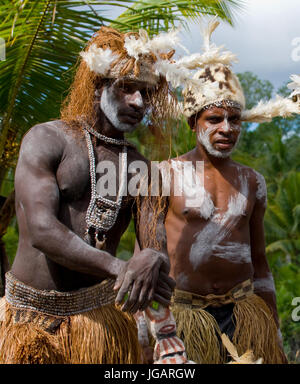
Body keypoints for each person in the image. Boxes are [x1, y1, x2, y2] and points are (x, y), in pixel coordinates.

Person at [0, 26, 187, 364]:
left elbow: (154, 237)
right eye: (127, 88)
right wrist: (120, 267)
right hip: (29, 321)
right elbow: (41, 230)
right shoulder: (47, 139)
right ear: (99, 83)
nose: (138, 102)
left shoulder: (143, 169)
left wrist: (154, 258)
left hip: (100, 323)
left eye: (145, 92)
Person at [135, 19, 299, 364]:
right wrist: (155, 332)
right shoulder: (163, 176)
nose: (227, 128)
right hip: (184, 317)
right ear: (193, 122)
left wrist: (273, 330)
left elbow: (259, 261)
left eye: (234, 119)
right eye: (214, 119)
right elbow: (144, 263)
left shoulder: (252, 182)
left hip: (243, 314)